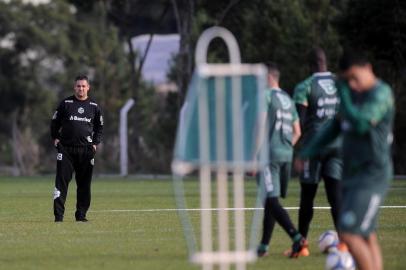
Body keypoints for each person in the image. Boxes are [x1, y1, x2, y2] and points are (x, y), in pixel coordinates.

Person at [299, 50, 394, 270]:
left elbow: (361, 122)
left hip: (372, 174)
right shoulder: (354, 94)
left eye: (354, 77)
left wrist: (344, 95)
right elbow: (334, 126)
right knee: (367, 235)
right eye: (347, 80)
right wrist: (307, 152)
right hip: (354, 174)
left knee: (349, 234)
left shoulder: (381, 94)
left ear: (368, 68)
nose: (351, 84)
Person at [292, 48, 342, 255]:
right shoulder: (341, 83)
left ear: (310, 65)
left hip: (314, 149)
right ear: (325, 62)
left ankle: (301, 246)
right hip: (338, 148)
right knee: (336, 197)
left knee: (307, 197)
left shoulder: (305, 86)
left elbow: (300, 122)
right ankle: (345, 243)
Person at [254, 62, 306, 258]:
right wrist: (286, 147)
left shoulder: (265, 96)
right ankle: (264, 247)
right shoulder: (287, 99)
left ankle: (297, 237)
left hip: (270, 155)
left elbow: (260, 127)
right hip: (286, 153)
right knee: (270, 199)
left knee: (270, 199)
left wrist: (253, 156)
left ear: (268, 78)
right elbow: (297, 132)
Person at [50, 75, 103, 222]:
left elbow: (99, 127)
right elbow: (54, 122)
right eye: (78, 86)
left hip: (86, 150)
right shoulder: (66, 103)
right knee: (61, 183)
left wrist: (95, 143)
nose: (81, 88)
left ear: (88, 88)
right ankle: (58, 216)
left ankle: (81, 215)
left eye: (83, 86)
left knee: (84, 185)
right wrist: (55, 138)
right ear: (74, 87)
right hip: (66, 150)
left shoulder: (94, 106)